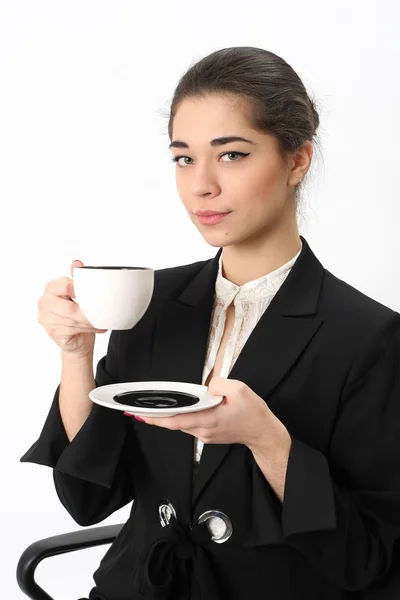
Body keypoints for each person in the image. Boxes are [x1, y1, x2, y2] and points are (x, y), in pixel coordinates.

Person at [20, 46, 400, 600]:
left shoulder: (368, 337)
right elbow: (86, 498)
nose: (201, 185)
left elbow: (368, 559)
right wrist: (76, 354)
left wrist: (268, 441)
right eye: (183, 158)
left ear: (297, 160)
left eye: (232, 155)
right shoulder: (151, 301)